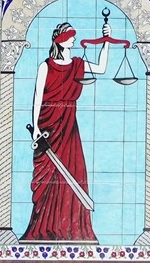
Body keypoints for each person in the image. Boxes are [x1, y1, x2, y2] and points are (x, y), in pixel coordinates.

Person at [22, 20, 109, 243]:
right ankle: (45, 226)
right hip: (48, 126)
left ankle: (72, 227)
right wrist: (35, 129)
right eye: (70, 36)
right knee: (48, 174)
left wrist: (106, 42)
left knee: (73, 170)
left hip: (69, 124)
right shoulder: (46, 66)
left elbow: (101, 68)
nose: (73, 39)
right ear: (60, 40)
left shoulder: (77, 64)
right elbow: (37, 98)